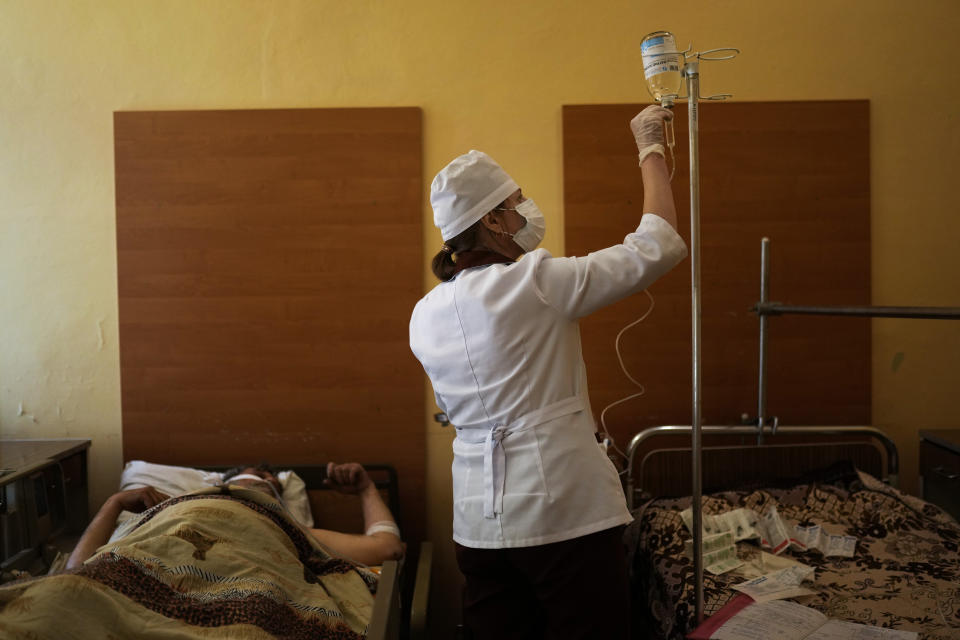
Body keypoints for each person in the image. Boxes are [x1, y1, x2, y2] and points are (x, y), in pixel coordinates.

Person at [408, 105, 686, 639]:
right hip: (563, 515)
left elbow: (498, 389)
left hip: (477, 523)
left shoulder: (424, 314)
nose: (524, 212)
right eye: (515, 204)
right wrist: (649, 147)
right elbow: (656, 246)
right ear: (491, 220)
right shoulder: (534, 281)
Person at [66, 461, 404, 570]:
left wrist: (366, 490)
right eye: (254, 474)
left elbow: (387, 549)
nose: (263, 478)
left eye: (269, 480)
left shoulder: (283, 527)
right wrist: (114, 504)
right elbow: (77, 576)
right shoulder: (166, 513)